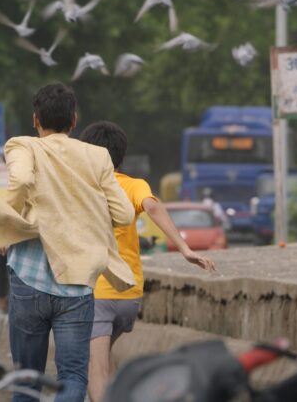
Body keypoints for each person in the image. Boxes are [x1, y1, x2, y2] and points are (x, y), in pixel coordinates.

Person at [0, 84, 137, 402]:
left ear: (35, 119)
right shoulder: (97, 156)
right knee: (72, 376)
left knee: (26, 378)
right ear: (74, 121)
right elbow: (124, 214)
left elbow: (21, 181)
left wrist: (4, 223)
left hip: (29, 277)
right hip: (77, 284)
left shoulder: (22, 146)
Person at [79, 120, 217, 402]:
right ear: (121, 156)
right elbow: (152, 204)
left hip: (97, 292)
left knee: (96, 368)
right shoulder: (133, 185)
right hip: (129, 295)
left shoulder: (82, 187)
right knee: (103, 361)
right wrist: (185, 248)